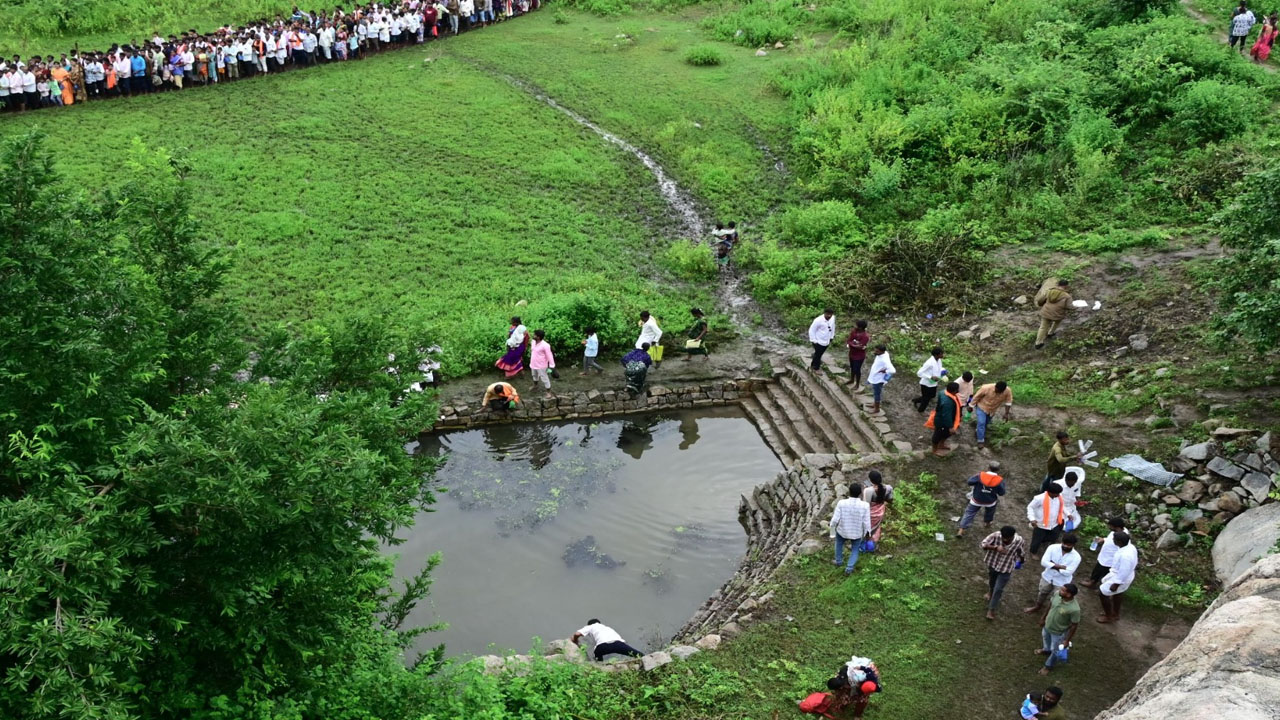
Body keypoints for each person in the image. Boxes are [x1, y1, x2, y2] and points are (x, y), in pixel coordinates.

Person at [1025, 534, 1081, 614]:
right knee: (1042, 592)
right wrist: (1061, 567)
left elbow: (1068, 572)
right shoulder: (1052, 547)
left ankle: (1049, 613)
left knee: (1057, 598)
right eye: (1064, 543)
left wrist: (1051, 564)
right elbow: (1043, 562)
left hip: (1061, 582)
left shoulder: (1076, 557)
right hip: (1047, 577)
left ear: (1073, 545)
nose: (1065, 546)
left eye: (1068, 545)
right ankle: (1037, 606)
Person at [981, 525, 1026, 620]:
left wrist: (1021, 560)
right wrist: (995, 547)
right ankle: (990, 591)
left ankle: (991, 609)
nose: (1005, 540)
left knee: (998, 589)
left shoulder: (1019, 541)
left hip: (1006, 567)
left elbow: (1021, 552)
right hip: (993, 563)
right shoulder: (996, 535)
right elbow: (983, 544)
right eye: (1003, 538)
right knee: (992, 581)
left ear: (1013, 536)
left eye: (1007, 539)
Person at [1036, 582, 1080, 675]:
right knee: (1045, 638)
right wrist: (1043, 618)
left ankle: (1048, 666)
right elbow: (1050, 605)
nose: (1059, 591)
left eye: (1063, 590)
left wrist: (1067, 640)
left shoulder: (1074, 609)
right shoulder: (1057, 595)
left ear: (1069, 595)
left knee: (1056, 651)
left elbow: (1074, 625)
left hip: (1058, 632)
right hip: (1047, 626)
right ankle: (1046, 650)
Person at [829, 482, 872, 574]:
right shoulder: (865, 506)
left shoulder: (841, 503)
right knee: (855, 550)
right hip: (857, 533)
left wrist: (832, 532)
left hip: (842, 531)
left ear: (849, 492)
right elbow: (866, 522)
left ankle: (838, 561)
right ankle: (849, 568)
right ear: (860, 493)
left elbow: (835, 520)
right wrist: (867, 533)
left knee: (838, 544)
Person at [1097, 531, 1138, 624]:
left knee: (1102, 593)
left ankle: (1108, 616)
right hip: (1122, 575)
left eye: (1114, 539)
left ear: (1119, 542)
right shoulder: (1130, 547)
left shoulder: (1125, 556)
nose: (1113, 540)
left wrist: (1116, 584)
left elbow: (1124, 571)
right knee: (1118, 593)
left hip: (1121, 577)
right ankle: (1115, 613)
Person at [957, 461, 1006, 537]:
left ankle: (961, 530)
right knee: (990, 512)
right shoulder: (999, 480)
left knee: (969, 513)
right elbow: (1001, 493)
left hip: (977, 499)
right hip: (990, 501)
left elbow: (970, 482)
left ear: (988, 467)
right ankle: (987, 523)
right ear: (998, 470)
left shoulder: (980, 475)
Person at [1081, 517, 1127, 590]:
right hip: (1104, 556)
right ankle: (1093, 581)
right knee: (1097, 569)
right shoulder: (1115, 531)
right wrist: (1103, 539)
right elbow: (1110, 539)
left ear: (1117, 527)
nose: (1109, 527)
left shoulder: (1123, 536)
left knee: (1103, 573)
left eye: (1111, 526)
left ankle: (1096, 584)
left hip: (1110, 559)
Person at [571, 619, 643, 661]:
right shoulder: (607, 627)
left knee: (597, 656)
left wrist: (575, 640)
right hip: (619, 644)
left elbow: (577, 634)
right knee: (639, 655)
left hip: (603, 647)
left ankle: (600, 667)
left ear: (589, 624)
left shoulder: (590, 626)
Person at [1026, 485, 1068, 556]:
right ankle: (1033, 552)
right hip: (1041, 524)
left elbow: (1062, 506)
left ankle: (1044, 542)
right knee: (1037, 540)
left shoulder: (1059, 497)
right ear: (1050, 492)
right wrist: (1032, 519)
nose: (1058, 495)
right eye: (1057, 493)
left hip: (1054, 523)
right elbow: (1030, 507)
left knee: (1054, 536)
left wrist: (1068, 514)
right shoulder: (1039, 498)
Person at [970, 380, 1013, 449]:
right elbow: (976, 397)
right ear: (995, 386)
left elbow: (1008, 402)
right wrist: (971, 406)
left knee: (986, 423)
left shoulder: (1007, 391)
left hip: (992, 410)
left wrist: (1006, 413)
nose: (998, 392)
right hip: (982, 407)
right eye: (997, 390)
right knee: (981, 422)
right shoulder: (986, 388)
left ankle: (978, 431)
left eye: (1000, 392)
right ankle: (980, 441)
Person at [926, 381, 961, 457]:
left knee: (946, 434)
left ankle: (941, 444)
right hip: (942, 421)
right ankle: (934, 450)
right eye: (957, 389)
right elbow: (946, 415)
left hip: (944, 417)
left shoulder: (943, 392)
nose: (958, 390)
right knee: (937, 435)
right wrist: (950, 427)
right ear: (954, 391)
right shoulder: (948, 403)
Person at [1034, 279, 1072, 349]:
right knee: (1057, 322)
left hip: (1046, 312)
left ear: (1058, 284)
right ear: (1066, 286)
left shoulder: (1049, 291)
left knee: (1043, 327)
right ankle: (1050, 333)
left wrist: (1041, 305)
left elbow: (1040, 300)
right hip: (1057, 314)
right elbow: (1069, 307)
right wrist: (1076, 307)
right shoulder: (1067, 296)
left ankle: (1038, 343)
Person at [861, 471, 893, 544]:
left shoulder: (868, 490)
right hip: (880, 511)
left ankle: (864, 542)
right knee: (875, 527)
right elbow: (890, 499)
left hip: (871, 513)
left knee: (866, 527)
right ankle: (873, 541)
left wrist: (865, 491)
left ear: (870, 480)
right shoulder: (888, 488)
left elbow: (865, 505)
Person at [912, 347, 945, 412]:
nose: (943, 355)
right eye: (941, 354)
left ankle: (916, 400)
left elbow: (939, 368)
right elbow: (919, 373)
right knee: (926, 399)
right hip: (926, 384)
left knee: (932, 395)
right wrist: (930, 377)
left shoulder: (939, 360)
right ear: (936, 355)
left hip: (934, 383)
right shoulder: (929, 363)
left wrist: (943, 371)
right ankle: (920, 411)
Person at [865, 345, 895, 414]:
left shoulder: (884, 360)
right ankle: (874, 404)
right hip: (875, 377)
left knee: (877, 394)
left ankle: (877, 409)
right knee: (875, 392)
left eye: (877, 351)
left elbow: (893, 370)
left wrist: (885, 371)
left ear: (882, 351)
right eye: (875, 350)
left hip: (878, 379)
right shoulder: (885, 354)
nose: (875, 352)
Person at [528, 329, 555, 398]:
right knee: (534, 375)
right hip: (533, 363)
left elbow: (549, 356)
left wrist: (552, 366)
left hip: (541, 365)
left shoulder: (545, 345)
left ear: (538, 337)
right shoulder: (533, 342)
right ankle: (535, 386)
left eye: (535, 335)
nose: (533, 335)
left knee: (544, 378)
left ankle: (549, 392)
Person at [808, 308, 836, 372]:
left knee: (819, 354)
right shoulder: (818, 320)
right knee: (818, 354)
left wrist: (831, 337)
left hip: (827, 340)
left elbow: (833, 327)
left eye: (830, 314)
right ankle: (815, 367)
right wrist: (814, 341)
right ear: (824, 313)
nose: (829, 316)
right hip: (818, 341)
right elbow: (811, 330)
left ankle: (814, 360)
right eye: (827, 314)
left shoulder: (832, 318)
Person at [845, 319, 870, 388]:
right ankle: (852, 379)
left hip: (859, 356)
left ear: (860, 327)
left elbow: (860, 346)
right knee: (852, 367)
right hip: (852, 353)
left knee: (857, 369)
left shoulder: (865, 336)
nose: (855, 326)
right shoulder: (854, 332)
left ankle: (857, 384)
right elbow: (849, 340)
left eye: (857, 325)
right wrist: (855, 345)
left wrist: (852, 344)